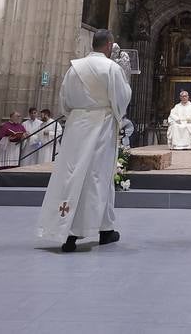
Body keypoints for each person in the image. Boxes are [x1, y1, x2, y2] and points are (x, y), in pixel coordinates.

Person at [37, 30, 132, 253]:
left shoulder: (74, 68)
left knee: (71, 174)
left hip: (77, 126)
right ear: (109, 45)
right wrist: (126, 81)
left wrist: (78, 116)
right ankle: (86, 229)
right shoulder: (112, 68)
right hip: (101, 126)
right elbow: (122, 98)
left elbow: (65, 101)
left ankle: (85, 227)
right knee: (98, 177)